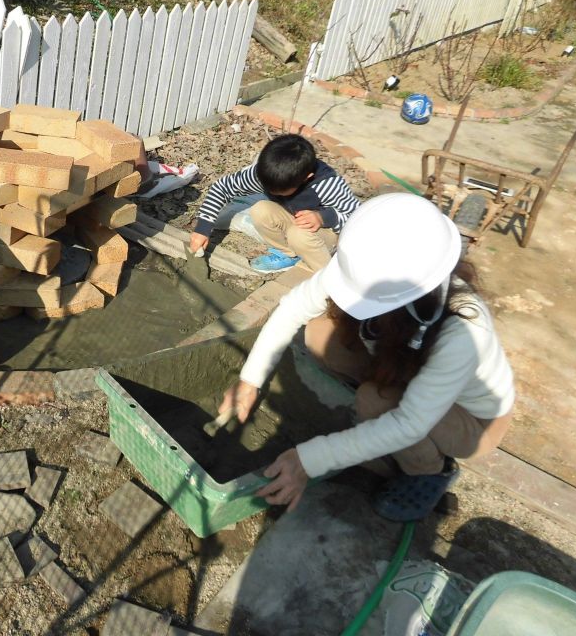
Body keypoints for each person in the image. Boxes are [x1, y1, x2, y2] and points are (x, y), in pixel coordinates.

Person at [219, 193, 515, 520]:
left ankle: (429, 471)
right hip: (407, 370)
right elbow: (293, 308)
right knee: (320, 334)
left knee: (375, 401)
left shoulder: (464, 328)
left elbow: (410, 423)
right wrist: (250, 380)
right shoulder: (365, 265)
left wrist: (308, 460)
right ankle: (373, 424)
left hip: (472, 420)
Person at [188, 134, 360, 273]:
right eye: (268, 189)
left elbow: (357, 218)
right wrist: (203, 227)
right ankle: (290, 255)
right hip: (296, 220)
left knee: (297, 236)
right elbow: (222, 187)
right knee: (260, 210)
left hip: (328, 233)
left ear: (306, 178)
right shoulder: (263, 174)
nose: (272, 192)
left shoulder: (327, 185)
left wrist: (323, 217)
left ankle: (330, 277)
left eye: (280, 191)